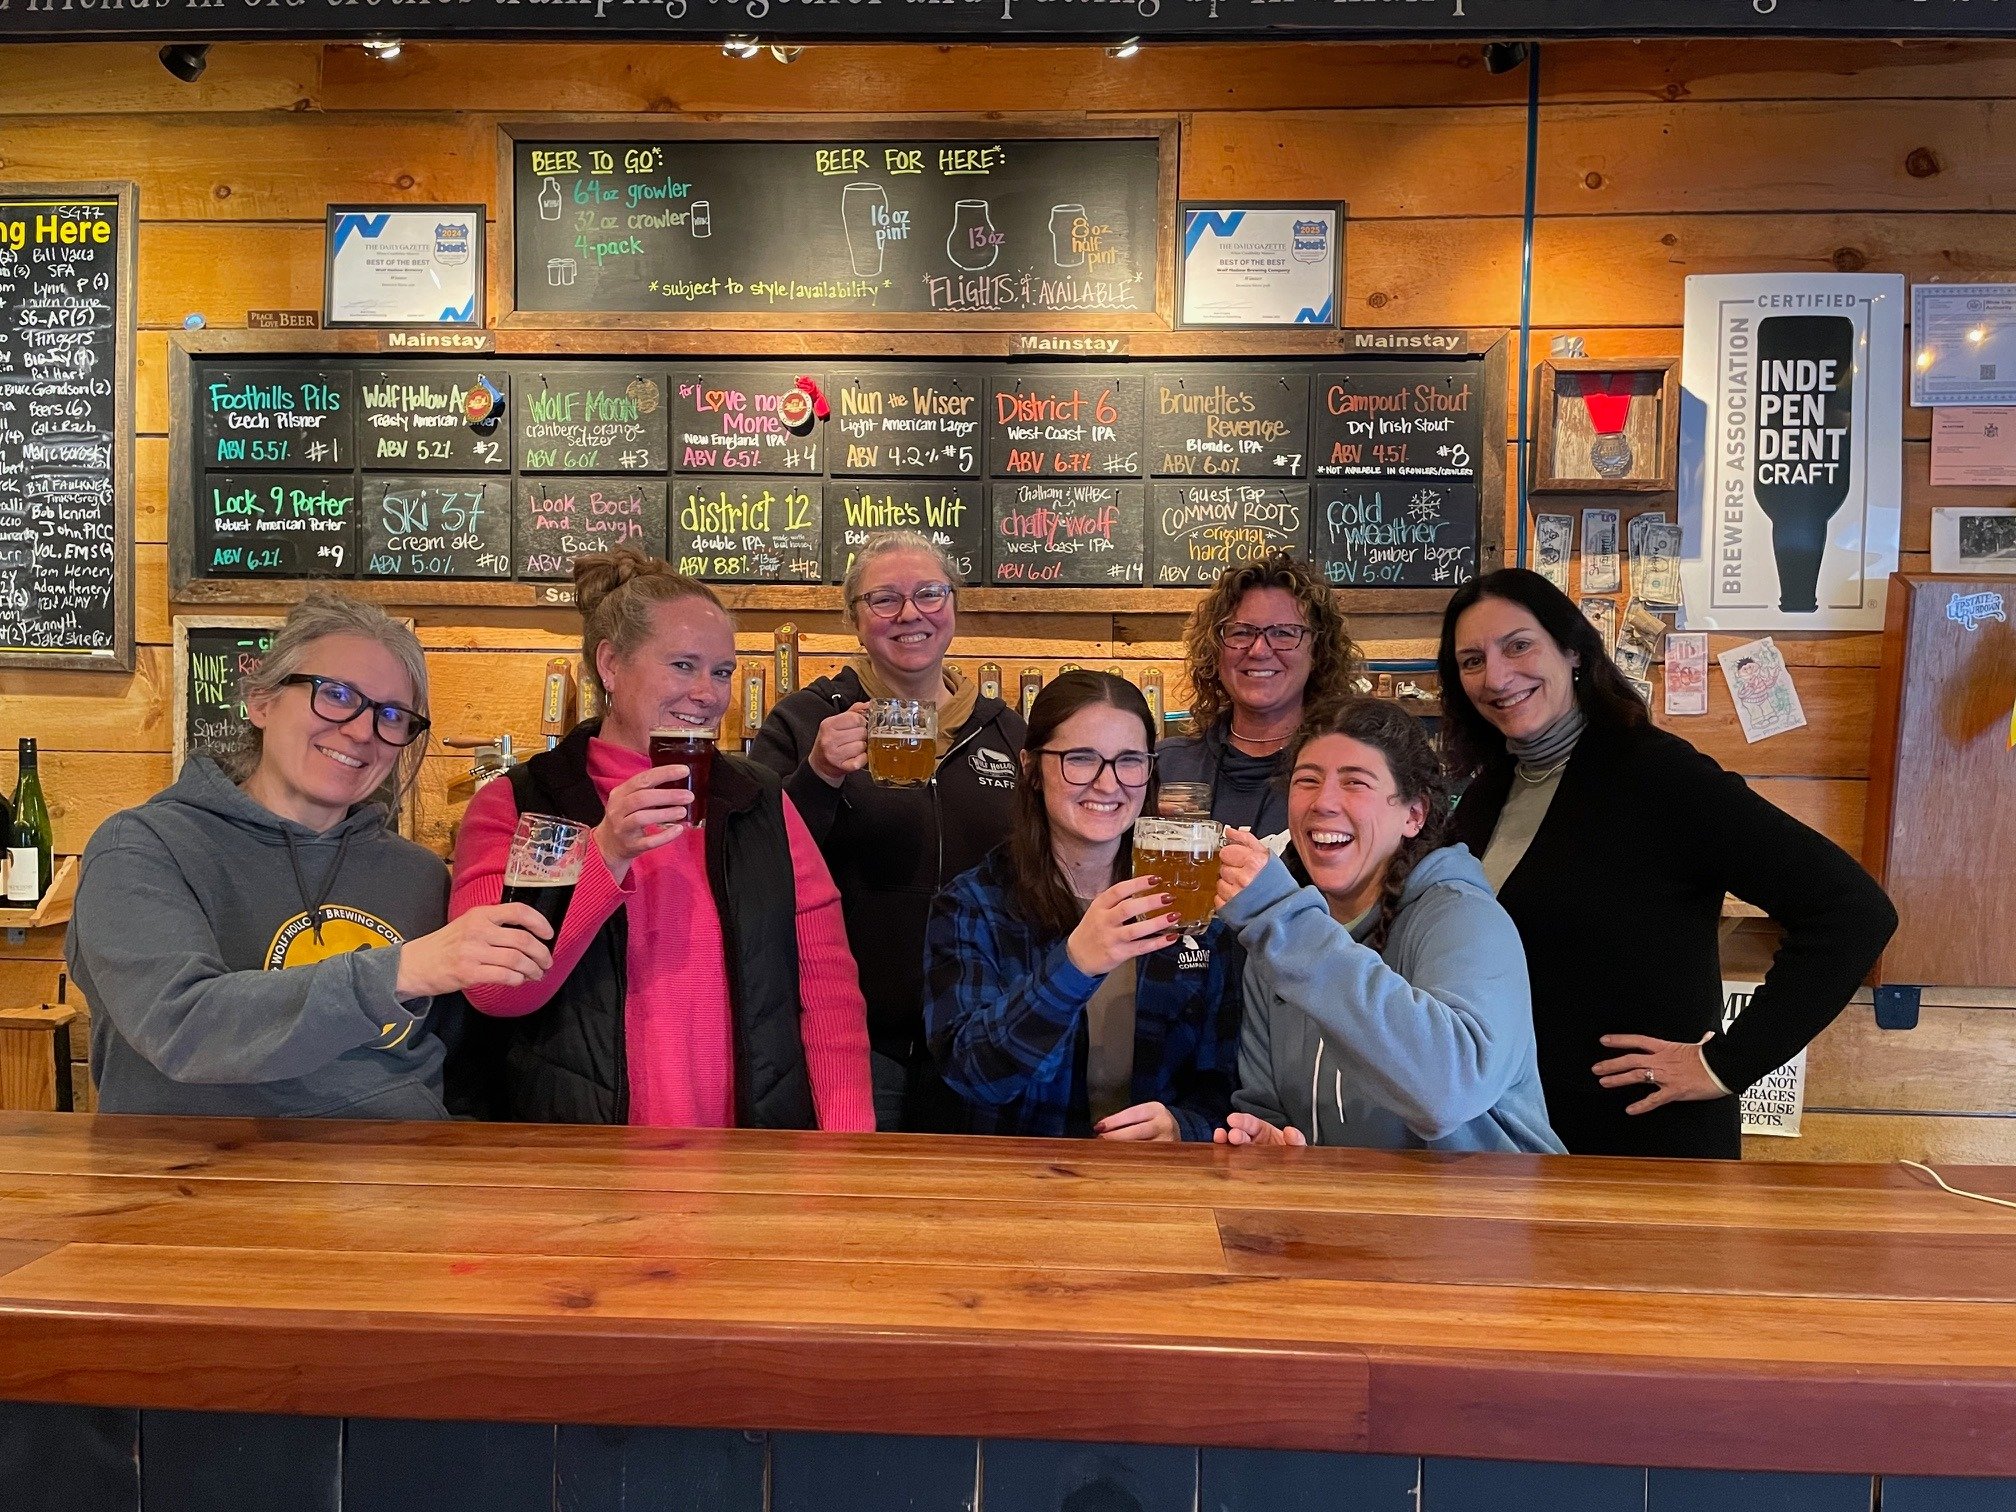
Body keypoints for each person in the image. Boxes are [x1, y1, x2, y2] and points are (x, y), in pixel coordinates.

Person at [1438, 568, 1898, 1159]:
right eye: (1471, 660)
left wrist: (1723, 1066)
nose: (1496, 676)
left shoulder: (1654, 775)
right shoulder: (1488, 790)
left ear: (1573, 649)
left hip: (1644, 1143)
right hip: (1519, 1137)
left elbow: (1853, 912)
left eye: (1518, 645)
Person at [68, 589, 552, 1118]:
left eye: (391, 715)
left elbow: (462, 1071)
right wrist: (398, 972)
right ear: (262, 701)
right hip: (200, 1182)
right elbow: (183, 1028)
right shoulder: (143, 849)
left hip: (399, 1181)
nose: (362, 731)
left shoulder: (416, 874)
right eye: (337, 694)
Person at [448, 548, 874, 1130]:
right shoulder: (519, 803)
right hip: (577, 1170)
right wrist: (605, 852)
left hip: (749, 1166)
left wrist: (844, 1151)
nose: (708, 693)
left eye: (722, 671)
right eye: (683, 665)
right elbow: (495, 991)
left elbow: (827, 995)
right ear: (611, 665)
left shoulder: (763, 803)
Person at [750, 530, 1024, 1131]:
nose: (911, 614)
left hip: (986, 1038)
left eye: (930, 593)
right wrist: (817, 776)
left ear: (953, 606)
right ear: (855, 619)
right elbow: (753, 863)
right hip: (855, 1043)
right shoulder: (804, 722)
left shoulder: (1006, 732)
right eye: (884, 600)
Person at [1212, 699, 1562, 1154]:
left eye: (1355, 782)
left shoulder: (1464, 918)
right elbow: (1267, 1107)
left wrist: (1281, 924)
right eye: (1307, 781)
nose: (1323, 802)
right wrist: (1271, 1140)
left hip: (1492, 1215)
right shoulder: (1281, 934)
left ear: (1414, 815)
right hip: (1353, 1215)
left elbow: (1447, 1092)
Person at [923, 671, 1243, 1141]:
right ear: (1031, 768)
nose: (1108, 783)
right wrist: (1074, 966)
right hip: (1017, 1186)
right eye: (1080, 759)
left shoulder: (1192, 903)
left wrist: (1185, 1127)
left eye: (1129, 761)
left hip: (1155, 1191)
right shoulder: (973, 903)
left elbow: (1227, 1087)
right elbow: (973, 1074)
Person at [1157, 552, 1364, 850]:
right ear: (1215, 650)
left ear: (1318, 650)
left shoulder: (1349, 773)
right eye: (1241, 632)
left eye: (1283, 633)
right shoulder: (1167, 765)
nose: (1259, 650)